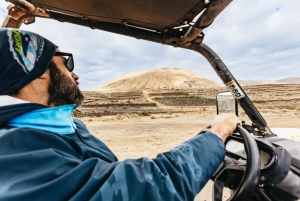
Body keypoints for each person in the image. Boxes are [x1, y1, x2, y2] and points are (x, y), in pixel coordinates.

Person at [0, 28, 241, 201]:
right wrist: (216, 134)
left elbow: (107, 173)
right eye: (66, 63)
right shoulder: (14, 153)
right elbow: (144, 188)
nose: (75, 75)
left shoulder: (64, 128)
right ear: (39, 70)